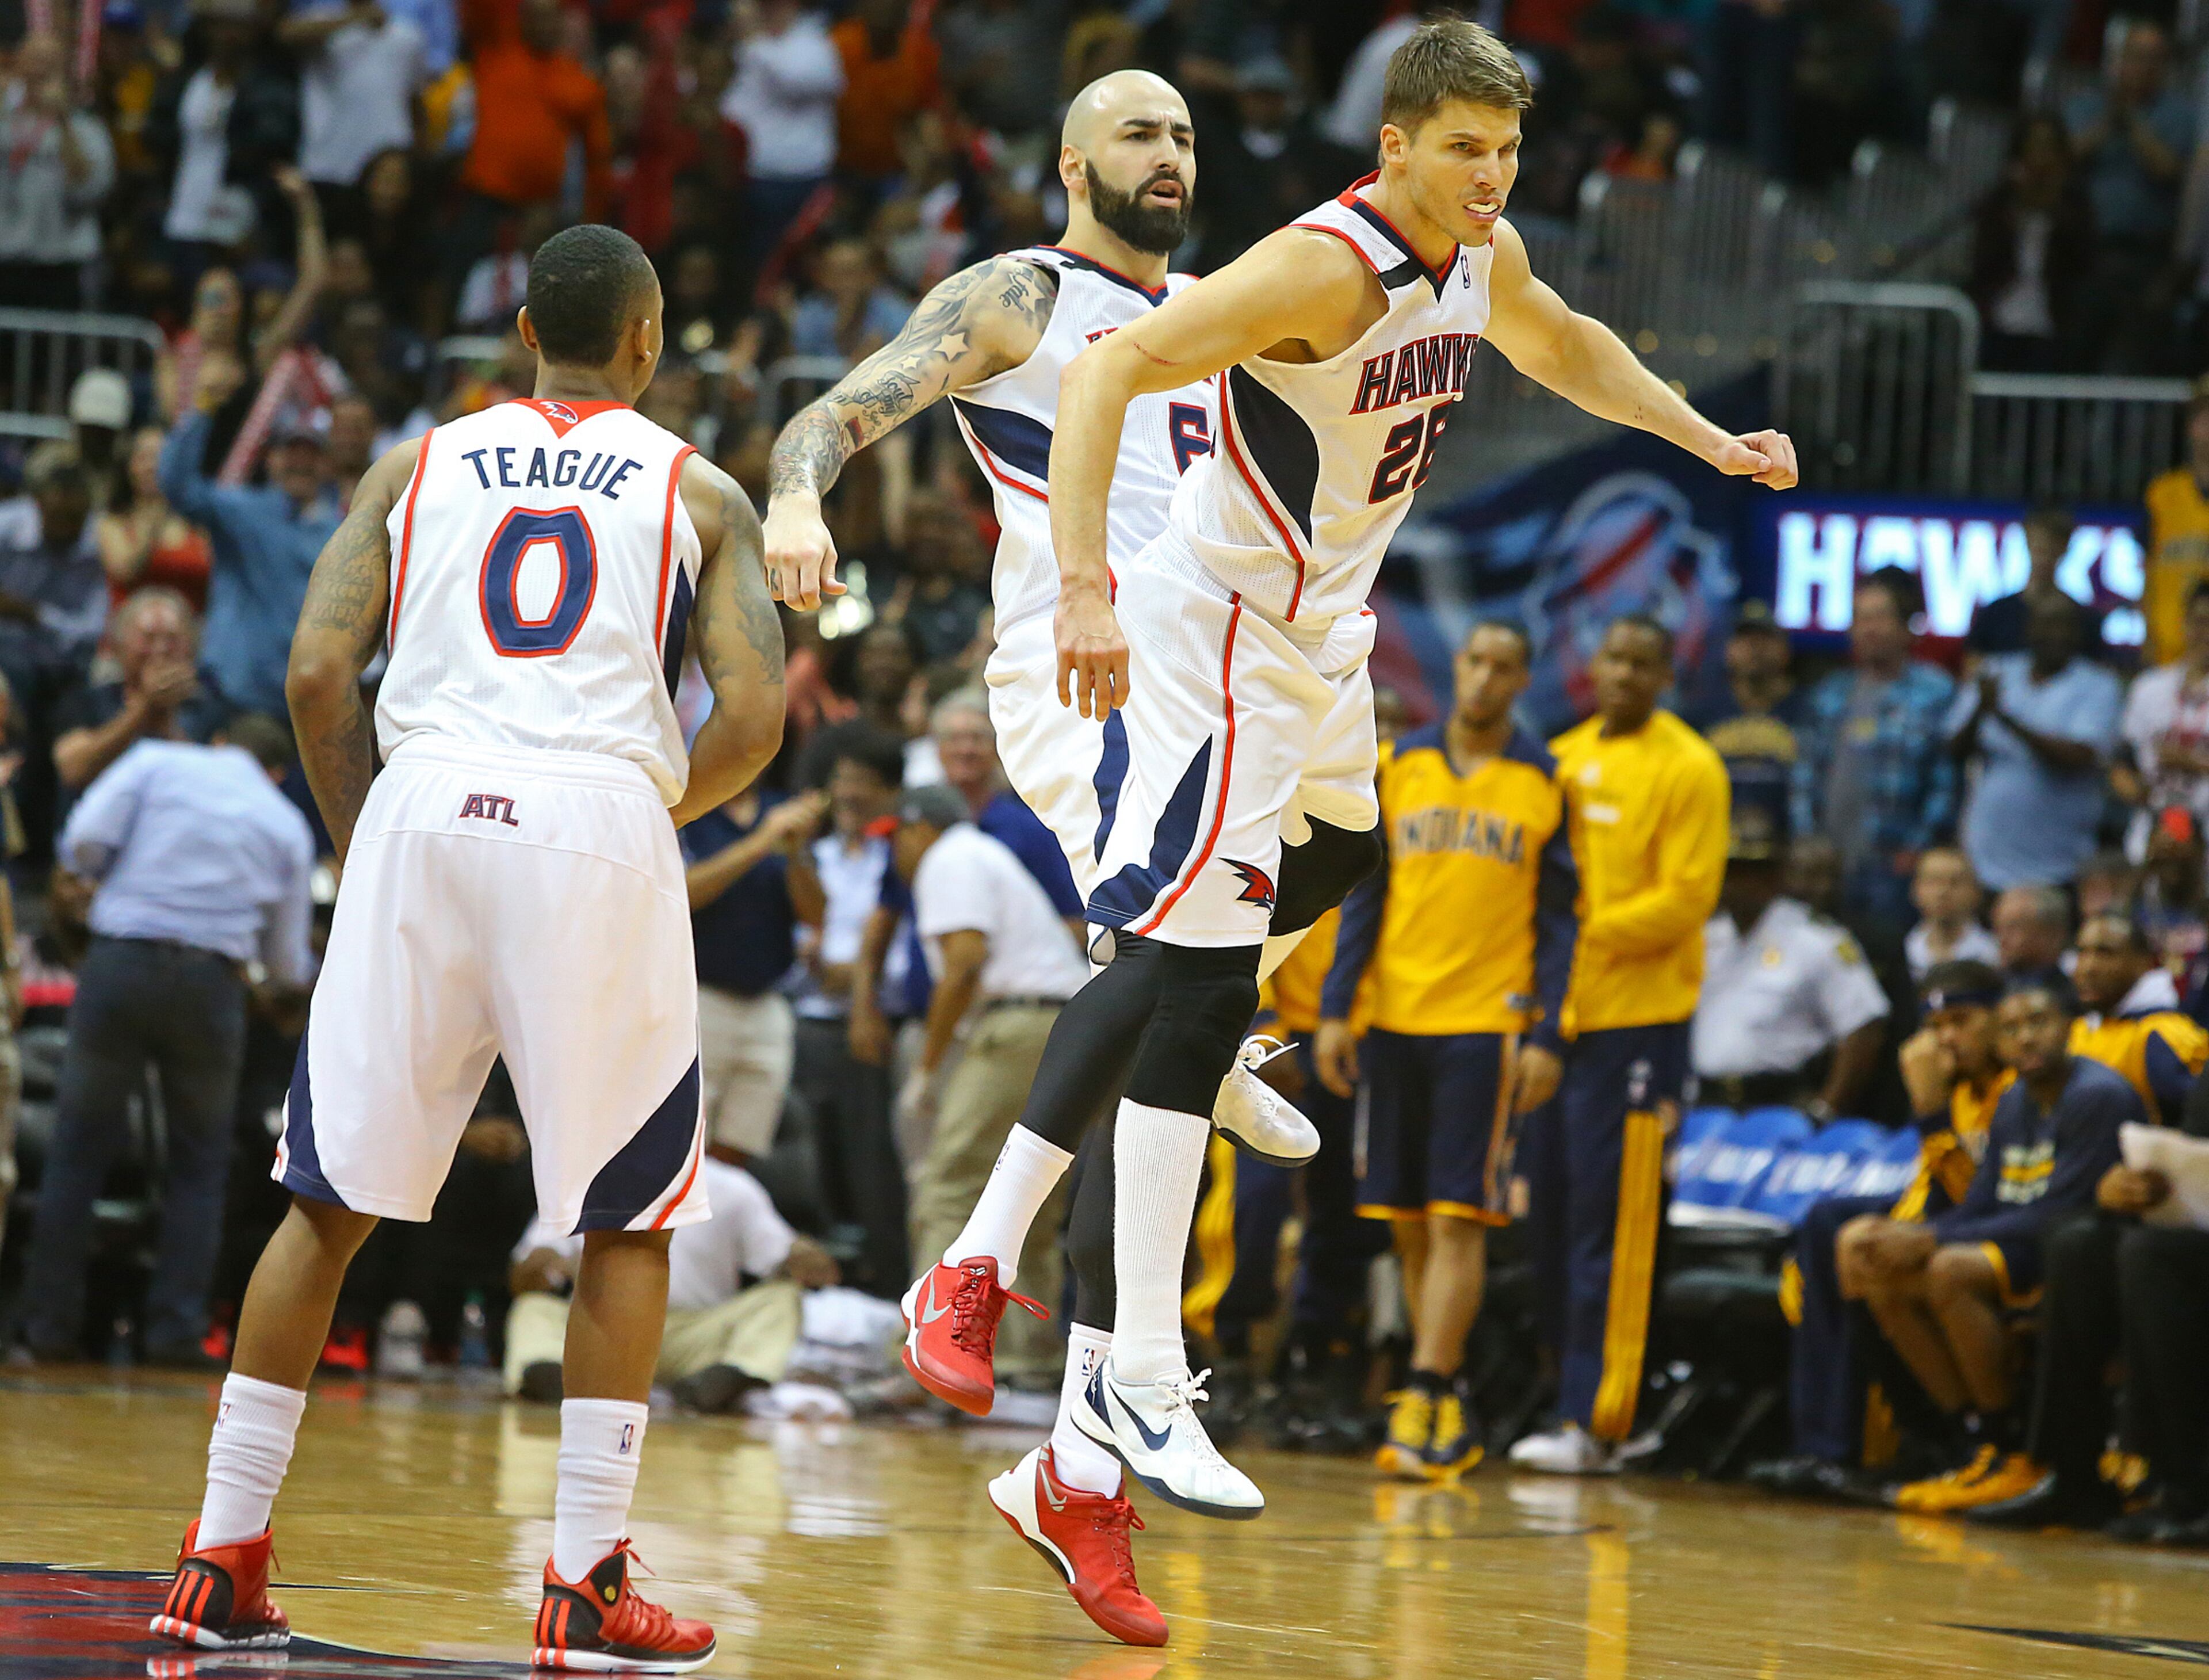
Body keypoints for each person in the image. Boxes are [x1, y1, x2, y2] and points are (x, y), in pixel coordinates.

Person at [937, 18, 1790, 1520]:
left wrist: (1705, 439)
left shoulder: (1483, 253)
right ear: (1392, 145)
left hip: (1327, 640)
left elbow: (1571, 347)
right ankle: (1098, 1341)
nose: (1490, 176)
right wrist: (1082, 587)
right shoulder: (1319, 267)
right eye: (1464, 148)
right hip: (1220, 639)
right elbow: (1105, 379)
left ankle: (1209, 1076)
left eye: (1508, 151)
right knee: (1191, 985)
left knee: (1340, 860)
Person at [148, 225, 785, 1668]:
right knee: (625, 1217)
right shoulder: (698, 487)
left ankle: (221, 1548)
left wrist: (365, 826)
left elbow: (318, 670)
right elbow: (752, 717)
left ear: (518, 332)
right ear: (647, 340)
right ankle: (578, 1581)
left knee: (323, 1201)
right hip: (595, 821)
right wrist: (641, 797)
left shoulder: (415, 465)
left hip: (420, 810)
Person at [760, 68, 1310, 1647]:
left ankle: (1077, 1473)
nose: (1168, 157)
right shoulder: (1020, 294)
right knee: (1160, 983)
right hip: (1079, 673)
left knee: (1268, 930)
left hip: (1219, 678)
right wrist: (801, 493)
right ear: (1073, 164)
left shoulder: (1217, 308)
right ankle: (975, 1272)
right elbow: (836, 410)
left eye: (1186, 137)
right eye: (1139, 133)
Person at [1313, 618, 1576, 1483]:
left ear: (1523, 680)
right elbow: (1363, 895)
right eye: (1475, 661)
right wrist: (1338, 1009)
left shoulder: (1546, 780)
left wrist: (1546, 1031)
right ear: (1456, 669)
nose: (1486, 678)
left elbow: (1560, 922)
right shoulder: (1404, 766)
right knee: (1411, 1220)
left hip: (1487, 1026)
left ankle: (1425, 1388)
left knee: (1462, 1216)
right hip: (1395, 1018)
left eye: (1506, 666)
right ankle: (1447, 1392)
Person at [16, 716, 314, 1367]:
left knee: (76, 1152)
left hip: (121, 964)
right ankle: (174, 1334)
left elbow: (84, 841)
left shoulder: (156, 761)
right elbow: (289, 963)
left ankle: (47, 1328)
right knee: (199, 1165)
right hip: (211, 985)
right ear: (278, 773)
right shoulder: (285, 822)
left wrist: (114, 871)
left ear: (217, 742)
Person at [1512, 617, 1732, 1474]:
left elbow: (1686, 898)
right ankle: (1567, 1404)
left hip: (1641, 1029)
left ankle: (1602, 1419)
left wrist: (1578, 935)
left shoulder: (1691, 768)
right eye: (1614, 658)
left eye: (1645, 662)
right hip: (1558, 1031)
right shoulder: (1560, 758)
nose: (1626, 674)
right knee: (1554, 1226)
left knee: (1615, 1227)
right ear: (1591, 667)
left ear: (1667, 674)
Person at [1849, 981, 2136, 1514]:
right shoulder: (2015, 1103)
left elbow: (2065, 1210)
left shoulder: (2098, 1095)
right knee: (1875, 1266)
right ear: (1999, 1045)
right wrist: (1909, 1238)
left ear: (2071, 1028)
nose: (2026, 1038)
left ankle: (2012, 1447)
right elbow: (1981, 1204)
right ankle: (1974, 1440)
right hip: (2015, 1242)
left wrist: (1933, 1238)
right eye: (2011, 1029)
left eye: (2038, 1023)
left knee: (1949, 1270)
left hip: (2075, 1256)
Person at [1959, 916, 2206, 1529]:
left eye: (2108, 950)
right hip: (2189, 1225)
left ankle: (2182, 1482)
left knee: (2147, 1259)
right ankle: (2068, 1472)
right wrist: (2129, 1187)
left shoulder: (2157, 1040)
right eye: (2084, 951)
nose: (2090, 963)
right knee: (2077, 1243)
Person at [1748, 961, 2013, 1502]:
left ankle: (1904, 1441)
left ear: (1998, 1022)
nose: (1945, 1040)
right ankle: (1822, 1448)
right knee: (1828, 1224)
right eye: (1934, 1027)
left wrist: (1931, 1113)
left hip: (1999, 1231)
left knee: (1861, 1249)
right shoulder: (1959, 1088)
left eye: (1961, 1022)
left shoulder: (2011, 1092)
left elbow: (1981, 1201)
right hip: (1949, 1217)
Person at [896, 781, 1090, 1384]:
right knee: (1027, 1195)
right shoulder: (984, 855)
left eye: (896, 837)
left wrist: (926, 1068)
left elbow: (965, 959)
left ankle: (935, 1352)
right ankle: (1028, 1358)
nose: (895, 853)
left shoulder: (949, 857)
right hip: (1067, 1028)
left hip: (1019, 1025)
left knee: (950, 1183)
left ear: (918, 827)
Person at [506, 1152, 838, 1412]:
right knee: (534, 1309)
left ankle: (716, 1384)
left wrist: (805, 1258)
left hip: (695, 1337)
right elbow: (524, 1277)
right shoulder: (584, 1178)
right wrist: (543, 1263)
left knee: (780, 1300)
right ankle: (555, 1382)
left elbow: (798, 1263)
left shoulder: (731, 1185)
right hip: (601, 1331)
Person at [1691, 805, 1889, 1119]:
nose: (1737, 882)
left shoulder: (1816, 940)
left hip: (1777, 1102)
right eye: (1731, 869)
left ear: (1775, 876)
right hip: (1706, 1102)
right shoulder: (1705, 939)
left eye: (1752, 871)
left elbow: (1864, 1026)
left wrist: (1827, 1108)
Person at [1790, 572, 1956, 938]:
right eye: (1861, 618)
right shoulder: (1832, 693)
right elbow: (1805, 776)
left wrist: (1918, 847)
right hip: (1829, 867)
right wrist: (1809, 841)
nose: (1869, 628)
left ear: (1906, 628)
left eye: (1880, 617)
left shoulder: (1935, 692)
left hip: (1894, 866)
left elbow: (1944, 781)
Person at [160, 400, 344, 720]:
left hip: (300, 707)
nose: (300, 463)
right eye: (290, 453)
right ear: (271, 460)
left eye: (311, 455)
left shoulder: (343, 532)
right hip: (226, 697)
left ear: (327, 464)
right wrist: (202, 411)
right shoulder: (242, 510)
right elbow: (177, 487)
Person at [683, 788, 823, 1166]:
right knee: (687, 1140)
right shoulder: (688, 809)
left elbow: (815, 915)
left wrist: (796, 854)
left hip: (768, 1001)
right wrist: (761, 842)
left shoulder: (781, 812)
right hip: (700, 995)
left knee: (742, 1140)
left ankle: (721, 1223)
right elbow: (684, 893)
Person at [1950, 593, 2125, 894]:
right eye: (2045, 625)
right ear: (2029, 629)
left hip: (2058, 866)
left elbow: (2076, 756)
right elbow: (1954, 750)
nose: (2054, 635)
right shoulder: (1997, 670)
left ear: (2077, 632)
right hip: (1983, 861)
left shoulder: (2098, 685)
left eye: (2064, 626)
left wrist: (2004, 717)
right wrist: (1981, 709)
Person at [52, 589, 221, 799]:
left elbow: (218, 789)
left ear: (193, 648)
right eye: (148, 638)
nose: (161, 649)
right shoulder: (84, 702)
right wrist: (144, 708)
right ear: (118, 646)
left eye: (172, 639)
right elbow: (74, 771)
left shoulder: (215, 710)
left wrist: (166, 723)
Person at [0, 32, 117, 312]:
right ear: (19, 65)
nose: (40, 67)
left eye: (49, 61)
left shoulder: (86, 129)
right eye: (33, 59)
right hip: (6, 259)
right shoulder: (4, 122)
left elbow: (92, 191)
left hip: (61, 264)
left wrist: (62, 122)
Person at [1695, 604, 1801, 837]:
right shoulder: (1700, 714)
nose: (1755, 647)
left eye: (1765, 638)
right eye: (1745, 639)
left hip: (1788, 850)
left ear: (1785, 650)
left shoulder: (1808, 712)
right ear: (1728, 650)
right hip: (1715, 845)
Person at [2119, 579, 2209, 841]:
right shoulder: (2149, 687)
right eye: (2200, 622)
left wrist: (2192, 763)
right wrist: (2135, 790)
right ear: (2185, 624)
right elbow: (2122, 762)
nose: (2206, 633)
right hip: (2152, 832)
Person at [1966, 506, 2107, 662]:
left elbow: (2094, 674)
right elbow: (1972, 667)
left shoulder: (2084, 620)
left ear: (2065, 549)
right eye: (2039, 549)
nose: (2044, 558)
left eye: (2052, 550)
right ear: (2027, 543)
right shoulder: (1995, 614)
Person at [94, 427, 212, 611]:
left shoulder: (199, 525)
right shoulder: (113, 523)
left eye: (162, 458)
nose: (153, 466)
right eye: (144, 458)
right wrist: (153, 521)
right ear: (129, 466)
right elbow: (125, 570)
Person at [2142, 378, 2209, 667]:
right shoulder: (2162, 493)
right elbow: (2149, 573)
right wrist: (2147, 643)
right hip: (2168, 659)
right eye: (2203, 415)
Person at [1904, 846, 1999, 982]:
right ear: (1915, 889)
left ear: (1976, 892)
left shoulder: (1995, 956)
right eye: (1933, 881)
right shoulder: (1902, 951)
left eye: (1955, 882)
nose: (1943, 891)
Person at [1990, 882, 2070, 991]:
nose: (2002, 938)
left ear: (2050, 934)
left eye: (2013, 928)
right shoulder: (1984, 987)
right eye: (1999, 928)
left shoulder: (2069, 997)